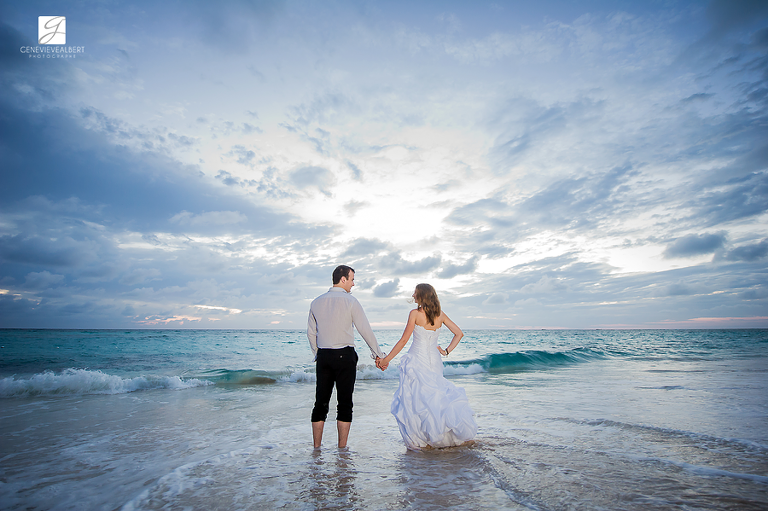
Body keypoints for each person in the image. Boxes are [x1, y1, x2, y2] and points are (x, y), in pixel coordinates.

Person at [379, 283, 477, 450]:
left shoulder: (415, 314)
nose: (413, 295)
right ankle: (440, 436)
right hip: (435, 360)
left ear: (422, 296)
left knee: (418, 399)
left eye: (415, 293)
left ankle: (425, 439)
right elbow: (459, 333)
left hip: (418, 360)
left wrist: (385, 359)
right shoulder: (440, 315)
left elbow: (403, 341)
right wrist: (446, 351)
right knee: (435, 397)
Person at [307, 265, 386, 449]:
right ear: (343, 279)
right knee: (345, 404)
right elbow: (365, 330)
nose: (353, 283)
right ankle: (342, 450)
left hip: (324, 356)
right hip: (345, 356)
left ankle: (316, 448)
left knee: (320, 403)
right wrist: (379, 355)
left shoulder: (316, 302)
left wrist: (318, 354)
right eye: (351, 279)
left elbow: (311, 333)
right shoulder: (351, 301)